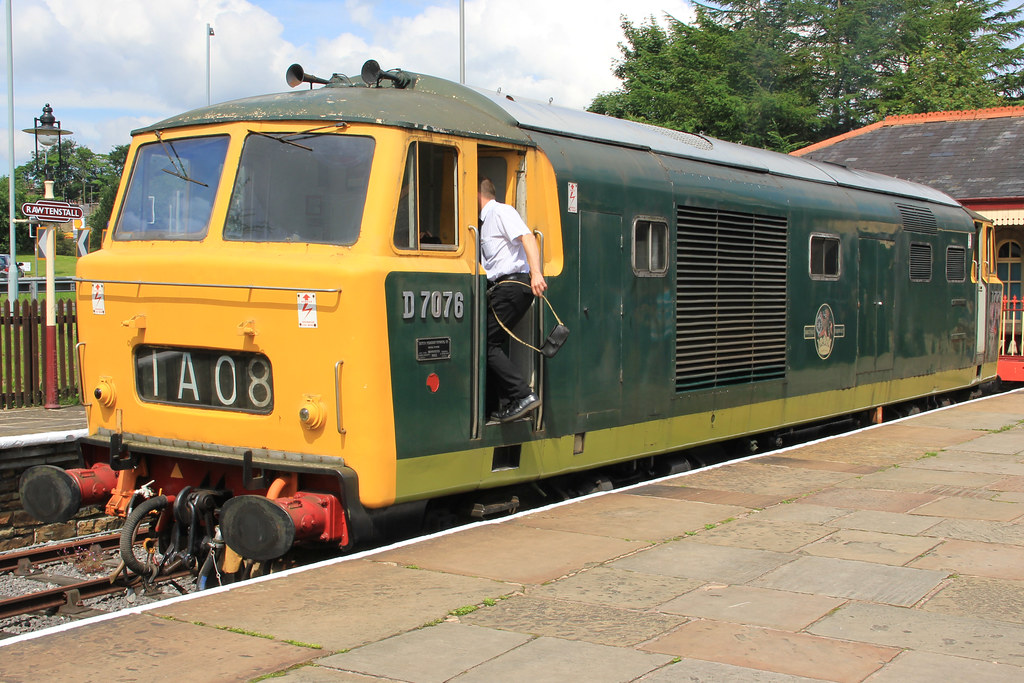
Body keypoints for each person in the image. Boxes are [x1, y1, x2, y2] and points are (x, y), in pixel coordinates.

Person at [479, 177, 547, 422]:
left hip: (512, 286)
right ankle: (504, 403)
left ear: (476, 194)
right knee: (492, 343)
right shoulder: (484, 221)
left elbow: (527, 237)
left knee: (486, 344)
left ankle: (523, 395)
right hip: (503, 288)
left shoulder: (500, 212)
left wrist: (536, 273)